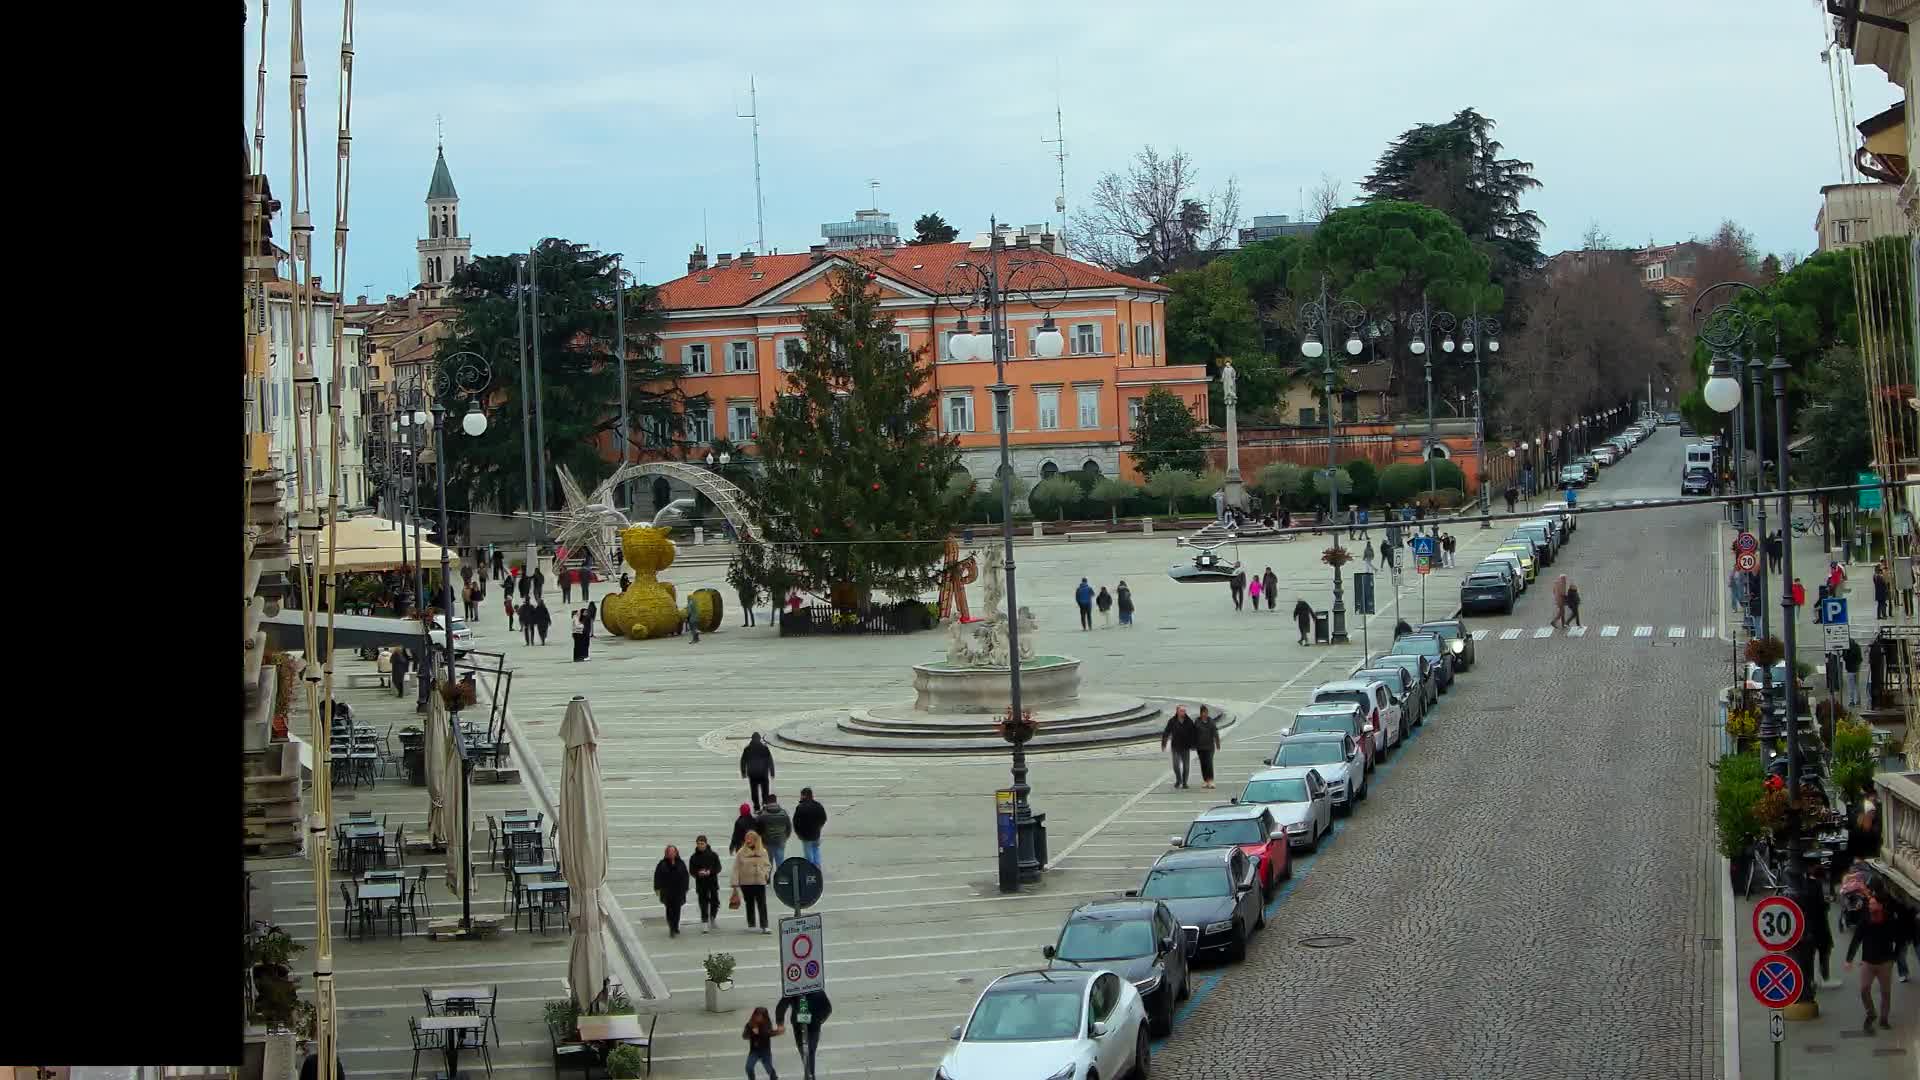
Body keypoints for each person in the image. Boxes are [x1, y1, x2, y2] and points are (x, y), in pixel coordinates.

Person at [1846, 896, 1899, 1033]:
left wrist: (1894, 956)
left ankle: (1884, 1018)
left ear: (1881, 906)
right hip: (1868, 962)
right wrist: (1849, 959)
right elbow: (1856, 939)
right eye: (1869, 904)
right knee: (1864, 989)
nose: (1870, 907)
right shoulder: (1865, 920)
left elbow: (1899, 938)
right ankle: (1871, 1013)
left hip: (1885, 962)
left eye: (1873, 904)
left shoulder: (1889, 920)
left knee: (1886, 992)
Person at [775, 988, 832, 1080]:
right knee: (808, 1052)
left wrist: (780, 1023)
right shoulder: (816, 989)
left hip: (806, 1026)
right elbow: (828, 1009)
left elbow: (782, 1005)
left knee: (807, 1052)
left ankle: (809, 1075)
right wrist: (820, 1019)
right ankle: (809, 1075)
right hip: (807, 1025)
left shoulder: (797, 989)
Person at [732, 830, 773, 933]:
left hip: (759, 881)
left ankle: (765, 925)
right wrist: (734, 883)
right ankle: (751, 923)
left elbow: (768, 865)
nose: (748, 840)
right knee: (749, 903)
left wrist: (765, 874)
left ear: (755, 840)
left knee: (762, 904)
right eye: (747, 838)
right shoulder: (741, 852)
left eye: (750, 838)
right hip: (746, 882)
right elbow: (736, 868)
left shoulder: (763, 851)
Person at [653, 844, 690, 937]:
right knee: (669, 910)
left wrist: (685, 887)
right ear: (666, 853)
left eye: (673, 852)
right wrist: (657, 888)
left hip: (678, 891)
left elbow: (686, 876)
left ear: (676, 853)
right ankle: (671, 928)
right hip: (667, 892)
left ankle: (676, 925)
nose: (672, 853)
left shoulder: (681, 863)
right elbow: (657, 876)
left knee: (677, 910)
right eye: (669, 852)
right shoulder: (662, 864)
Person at [690, 835, 723, 932]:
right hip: (701, 883)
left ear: (706, 843)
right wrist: (698, 873)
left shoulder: (713, 855)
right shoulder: (694, 857)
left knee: (715, 901)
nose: (700, 846)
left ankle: (712, 918)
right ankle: (704, 922)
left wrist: (710, 872)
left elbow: (718, 867)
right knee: (703, 903)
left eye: (702, 843)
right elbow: (692, 870)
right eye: (699, 844)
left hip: (712, 882)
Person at [742, 1005, 782, 1079]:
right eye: (757, 1015)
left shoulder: (767, 1024)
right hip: (754, 1051)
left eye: (761, 1016)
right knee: (749, 1067)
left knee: (768, 1068)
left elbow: (768, 1033)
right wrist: (751, 1032)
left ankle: (774, 1077)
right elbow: (744, 1036)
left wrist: (777, 1032)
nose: (759, 1018)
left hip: (765, 1050)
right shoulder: (750, 1024)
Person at [1161, 706, 1196, 790]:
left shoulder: (1189, 721)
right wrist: (1164, 743)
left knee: (1186, 766)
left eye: (1184, 711)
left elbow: (1194, 734)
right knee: (1176, 765)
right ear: (1177, 711)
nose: (1183, 712)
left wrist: (1194, 745)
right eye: (1181, 711)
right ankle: (1178, 779)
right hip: (1175, 747)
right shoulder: (1172, 721)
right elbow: (1166, 732)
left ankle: (1184, 782)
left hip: (1185, 747)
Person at [793, 787, 828, 868]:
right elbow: (824, 818)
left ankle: (810, 868)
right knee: (816, 849)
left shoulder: (800, 807)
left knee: (808, 852)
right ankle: (817, 866)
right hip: (816, 833)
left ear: (804, 796)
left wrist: (798, 833)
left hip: (805, 835)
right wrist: (819, 827)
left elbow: (796, 822)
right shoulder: (818, 805)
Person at [741, 732, 776, 811]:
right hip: (763, 773)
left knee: (754, 791)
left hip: (753, 774)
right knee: (765, 791)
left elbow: (743, 761)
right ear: (760, 739)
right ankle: (764, 804)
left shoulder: (747, 749)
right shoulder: (764, 748)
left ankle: (756, 807)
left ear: (752, 739)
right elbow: (770, 760)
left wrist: (744, 772)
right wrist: (772, 772)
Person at [756, 792, 792, 867]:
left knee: (768, 865)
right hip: (780, 841)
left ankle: (768, 878)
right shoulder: (784, 813)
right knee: (780, 864)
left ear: (767, 802)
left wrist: (762, 838)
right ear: (776, 801)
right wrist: (785, 837)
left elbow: (758, 828)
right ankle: (780, 878)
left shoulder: (763, 815)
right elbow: (789, 827)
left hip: (767, 842)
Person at [1193, 705, 1222, 790]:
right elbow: (1194, 733)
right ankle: (1205, 780)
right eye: (1204, 712)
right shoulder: (1197, 721)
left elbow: (1215, 733)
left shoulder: (1211, 721)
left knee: (1209, 762)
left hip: (1209, 747)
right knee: (1203, 764)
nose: (1205, 714)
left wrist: (1217, 743)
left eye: (1206, 712)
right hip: (1200, 746)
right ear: (1201, 713)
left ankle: (1211, 780)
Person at [1845, 636, 1864, 707]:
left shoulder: (1847, 648)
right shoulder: (1857, 647)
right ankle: (1858, 701)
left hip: (1850, 670)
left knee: (1851, 686)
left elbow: (1845, 657)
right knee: (1857, 686)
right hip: (1856, 669)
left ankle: (1851, 701)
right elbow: (1860, 659)